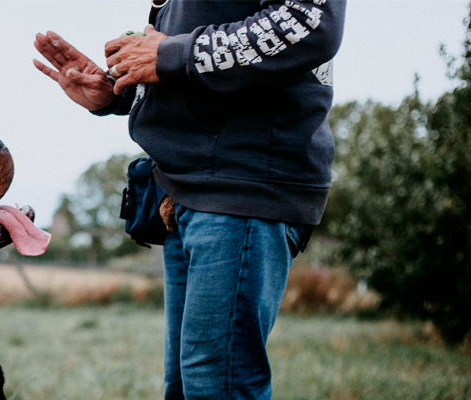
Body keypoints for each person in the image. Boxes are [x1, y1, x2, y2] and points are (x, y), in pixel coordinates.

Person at [34, 1, 346, 399]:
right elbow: (197, 76)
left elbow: (309, 23)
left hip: (242, 189)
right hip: (186, 192)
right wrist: (118, 93)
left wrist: (171, 54)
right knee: (185, 388)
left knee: (219, 387)